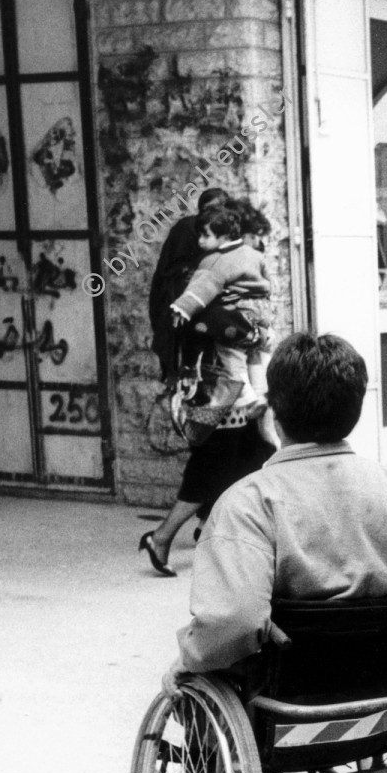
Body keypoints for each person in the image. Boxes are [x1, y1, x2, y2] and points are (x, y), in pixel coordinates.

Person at [169, 332, 387, 681]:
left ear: (274, 412)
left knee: (200, 670)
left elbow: (233, 622)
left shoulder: (247, 504)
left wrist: (189, 658)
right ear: (355, 411)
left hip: (284, 698)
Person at [139, 198, 275, 576]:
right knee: (213, 464)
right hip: (218, 386)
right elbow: (209, 327)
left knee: (254, 455)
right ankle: (163, 536)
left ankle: (218, 533)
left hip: (232, 387)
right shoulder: (197, 283)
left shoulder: (222, 271)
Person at [148, 186, 229, 386]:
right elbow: (172, 272)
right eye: (209, 209)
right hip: (182, 307)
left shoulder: (225, 232)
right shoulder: (188, 229)